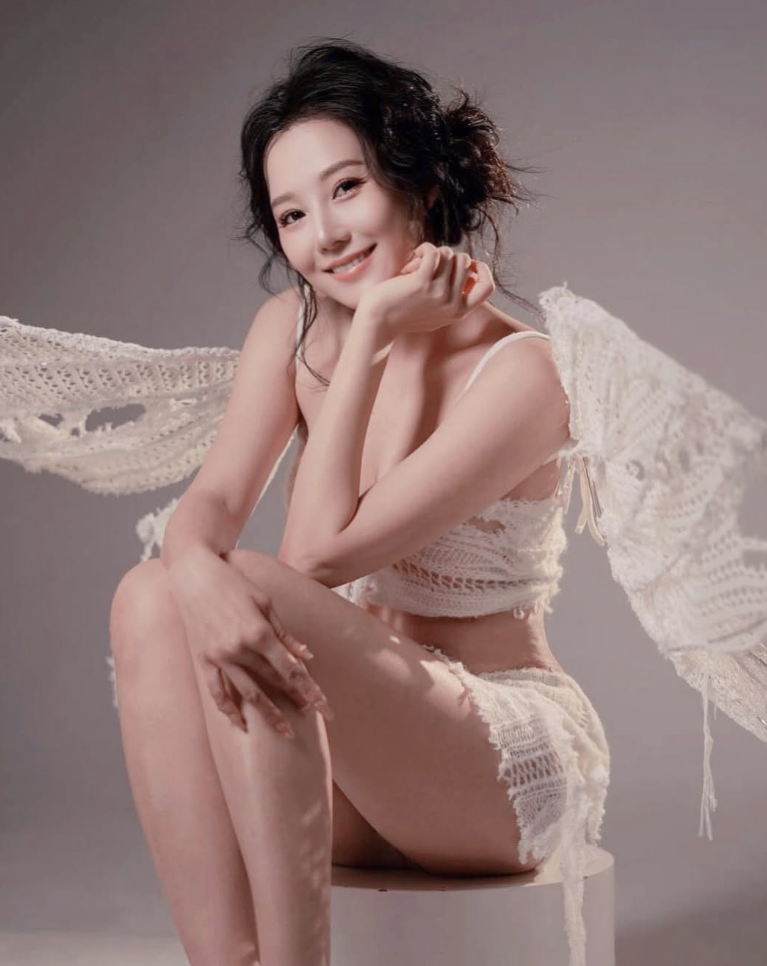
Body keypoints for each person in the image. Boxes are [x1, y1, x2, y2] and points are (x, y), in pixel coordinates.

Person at [1, 37, 766, 966]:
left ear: (417, 180)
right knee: (148, 595)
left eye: (346, 188)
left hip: (492, 765)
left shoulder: (524, 373)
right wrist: (189, 573)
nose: (323, 234)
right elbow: (211, 506)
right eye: (291, 214)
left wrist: (368, 333)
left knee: (245, 585)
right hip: (344, 755)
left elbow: (314, 561)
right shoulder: (288, 330)